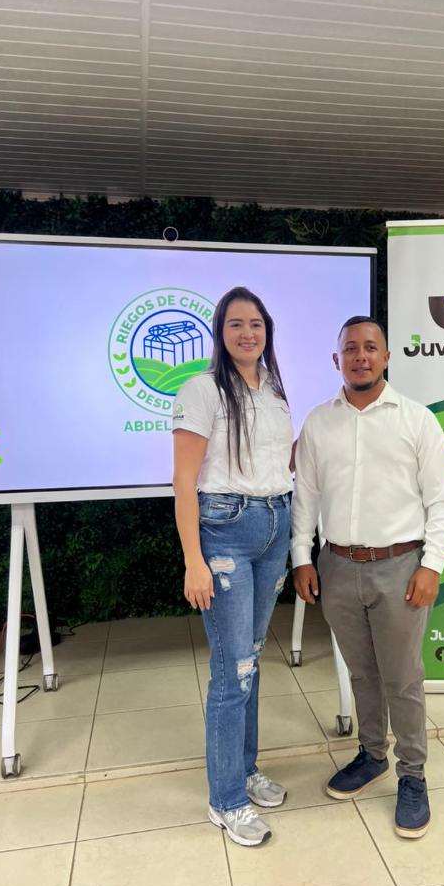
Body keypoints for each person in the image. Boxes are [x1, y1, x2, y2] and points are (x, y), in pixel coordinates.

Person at [291, 316, 444, 838]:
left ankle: (413, 774)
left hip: (401, 567)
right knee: (361, 672)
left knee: (402, 677)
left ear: (386, 357)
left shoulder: (417, 420)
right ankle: (371, 755)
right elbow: (306, 496)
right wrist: (302, 556)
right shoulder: (319, 423)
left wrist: (432, 565)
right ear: (336, 360)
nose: (360, 356)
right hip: (338, 567)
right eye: (350, 348)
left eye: (370, 347)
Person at [172, 286, 293, 847]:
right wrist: (193, 561)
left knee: (252, 660)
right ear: (220, 333)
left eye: (256, 324)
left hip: (274, 525)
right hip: (225, 533)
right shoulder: (201, 390)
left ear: (267, 331)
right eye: (236, 324)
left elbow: (278, 462)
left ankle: (244, 770)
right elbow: (183, 481)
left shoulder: (273, 388)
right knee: (232, 670)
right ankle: (225, 800)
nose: (248, 333)